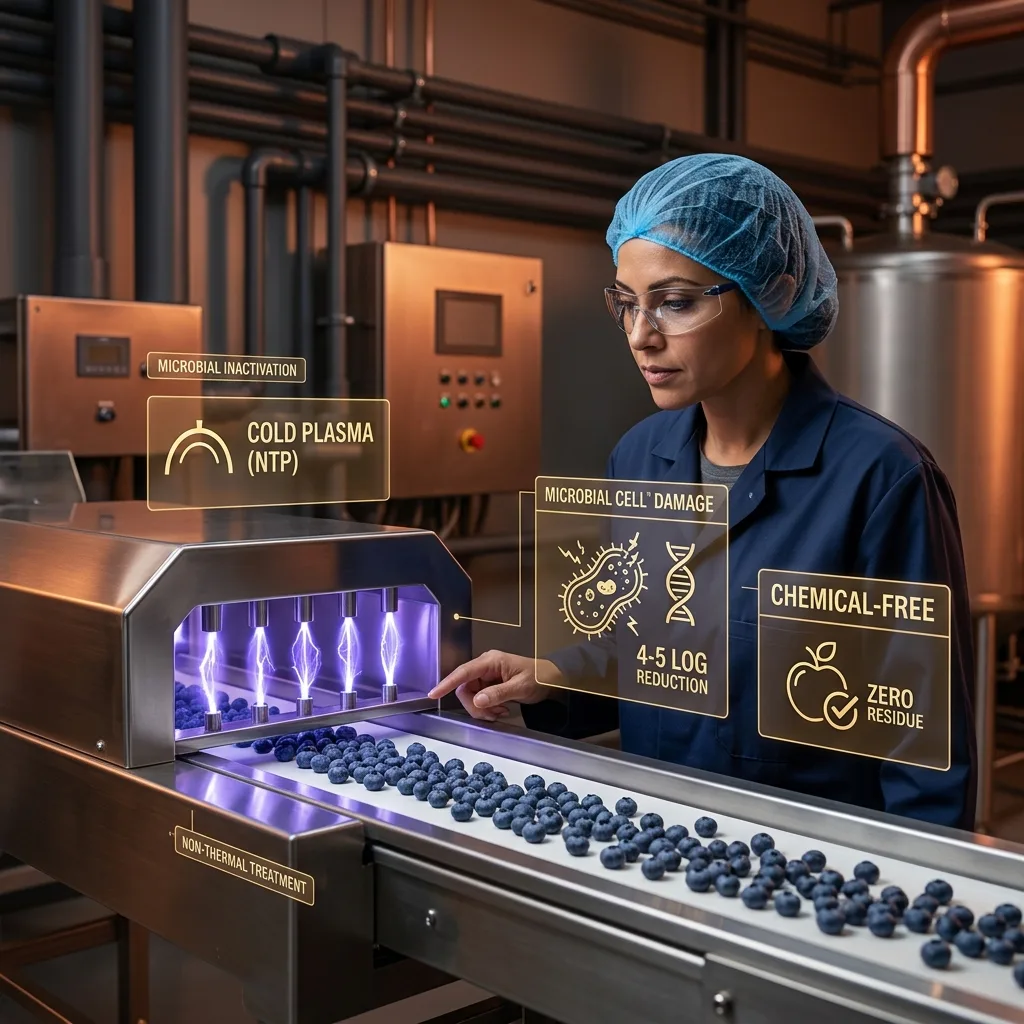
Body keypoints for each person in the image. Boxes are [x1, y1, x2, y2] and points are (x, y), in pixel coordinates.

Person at [429, 154, 977, 830]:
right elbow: (653, 655)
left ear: (770, 296)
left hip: (808, 868)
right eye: (626, 304)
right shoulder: (639, 457)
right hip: (660, 843)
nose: (639, 336)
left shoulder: (879, 477)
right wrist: (550, 678)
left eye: (676, 302)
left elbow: (921, 747)